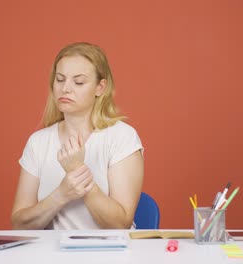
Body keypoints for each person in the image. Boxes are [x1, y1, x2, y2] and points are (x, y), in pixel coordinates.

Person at [11, 42, 144, 230]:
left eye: (78, 82)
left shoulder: (122, 137)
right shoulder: (38, 142)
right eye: (60, 79)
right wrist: (61, 194)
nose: (65, 89)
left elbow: (120, 223)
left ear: (100, 88)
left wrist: (77, 171)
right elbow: (19, 224)